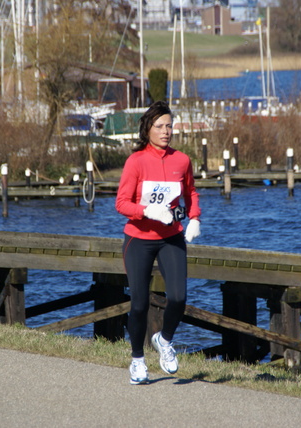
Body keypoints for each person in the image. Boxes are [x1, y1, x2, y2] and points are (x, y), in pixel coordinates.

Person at [115, 101, 201, 385]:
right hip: (138, 239)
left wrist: (195, 219)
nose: (166, 132)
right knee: (139, 304)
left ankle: (164, 341)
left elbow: (190, 192)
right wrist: (147, 211)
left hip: (171, 237)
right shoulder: (136, 161)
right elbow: (121, 203)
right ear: (148, 129)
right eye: (160, 126)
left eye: (170, 126)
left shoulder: (182, 160)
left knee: (178, 297)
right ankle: (137, 360)